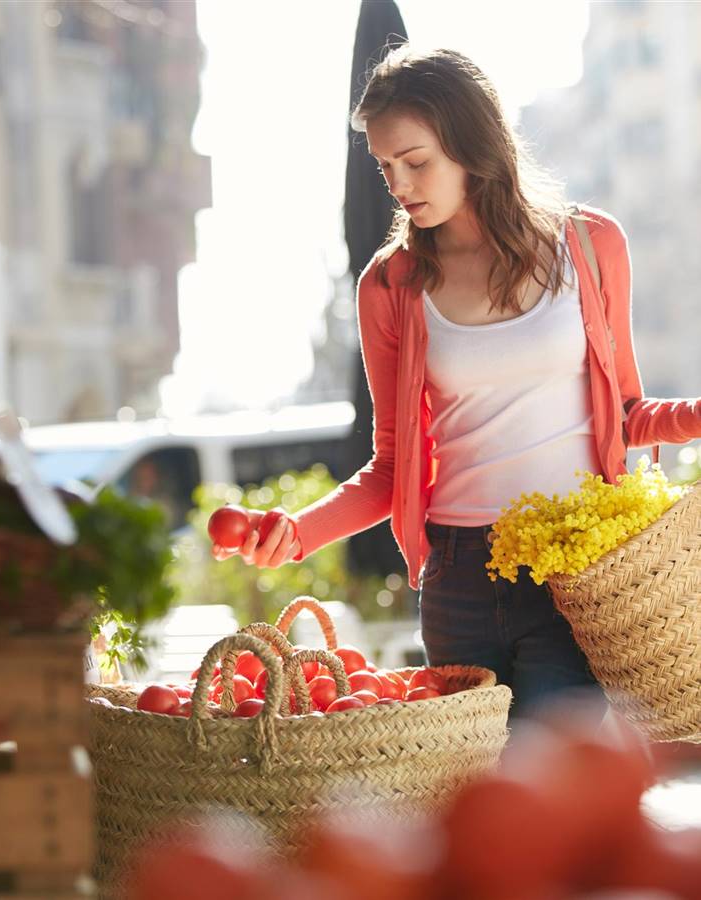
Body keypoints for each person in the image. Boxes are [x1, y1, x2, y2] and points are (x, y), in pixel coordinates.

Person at [210, 46, 701, 717]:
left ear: (472, 144)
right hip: (457, 578)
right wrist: (298, 533)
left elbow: (627, 412)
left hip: (576, 574)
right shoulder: (391, 285)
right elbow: (391, 466)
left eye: (416, 162)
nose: (400, 185)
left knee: (553, 781)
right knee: (473, 800)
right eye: (386, 168)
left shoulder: (589, 247)